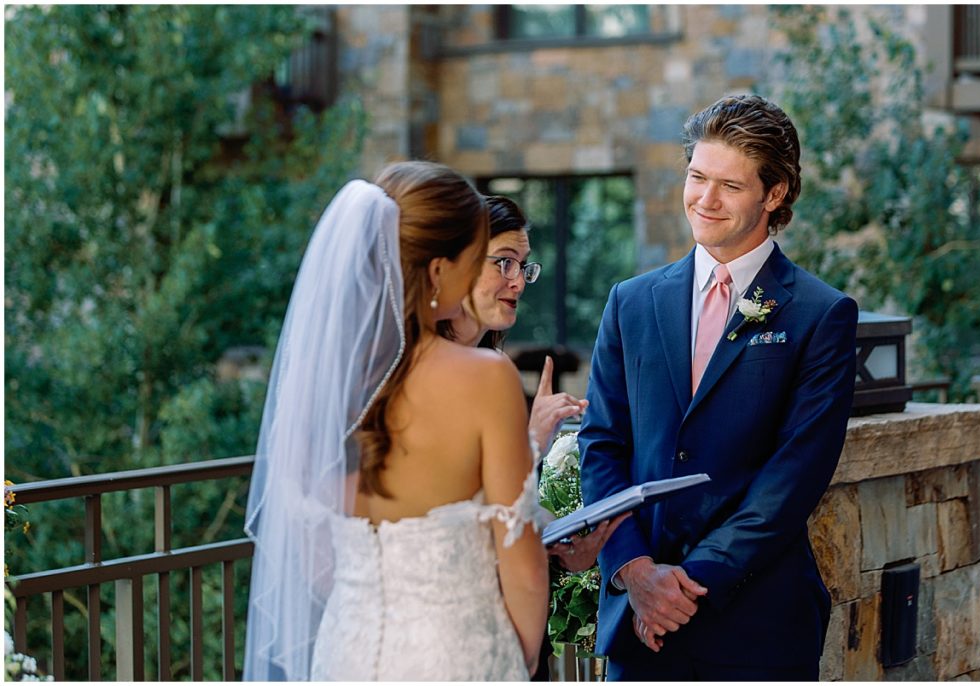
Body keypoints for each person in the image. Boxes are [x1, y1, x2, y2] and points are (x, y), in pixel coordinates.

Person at [579, 94, 858, 681]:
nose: (704, 200)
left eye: (728, 186)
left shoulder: (819, 313)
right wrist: (635, 570)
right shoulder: (631, 302)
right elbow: (601, 446)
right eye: (696, 177)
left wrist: (683, 589)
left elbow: (792, 479)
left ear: (774, 193)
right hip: (639, 628)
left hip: (755, 624)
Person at [243, 161, 549, 681]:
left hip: (346, 649)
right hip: (456, 653)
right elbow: (521, 563)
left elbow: (310, 550)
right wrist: (515, 658)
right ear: (437, 270)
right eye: (474, 258)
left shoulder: (324, 382)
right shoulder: (485, 377)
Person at [443, 195, 628, 681]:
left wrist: (567, 547)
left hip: (513, 623)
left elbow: (499, 510)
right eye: (503, 262)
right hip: (462, 628)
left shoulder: (494, 367)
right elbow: (445, 509)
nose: (518, 281)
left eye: (524, 266)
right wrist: (533, 439)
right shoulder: (432, 376)